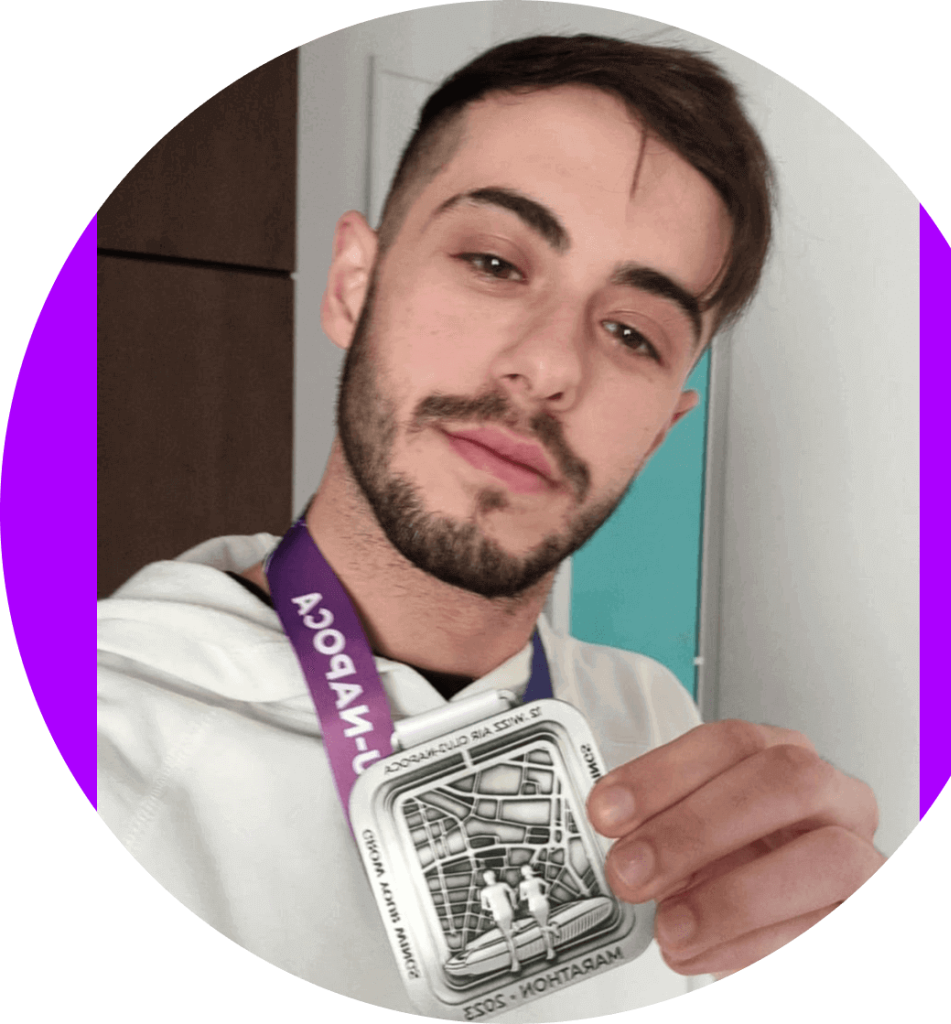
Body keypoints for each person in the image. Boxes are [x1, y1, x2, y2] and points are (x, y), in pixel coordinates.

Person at [97, 34, 884, 1019]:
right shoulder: (102, 737)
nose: (550, 364)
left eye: (632, 332)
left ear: (659, 430)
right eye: (494, 261)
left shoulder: (655, 730)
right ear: (353, 284)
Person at [479, 870, 522, 973]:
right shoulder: (501, 885)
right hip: (505, 912)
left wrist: (493, 908)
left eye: (488, 876)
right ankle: (515, 928)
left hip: (501, 914)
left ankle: (515, 962)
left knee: (508, 939)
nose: (488, 878)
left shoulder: (485, 891)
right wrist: (514, 904)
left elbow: (484, 906)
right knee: (509, 937)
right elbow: (512, 892)